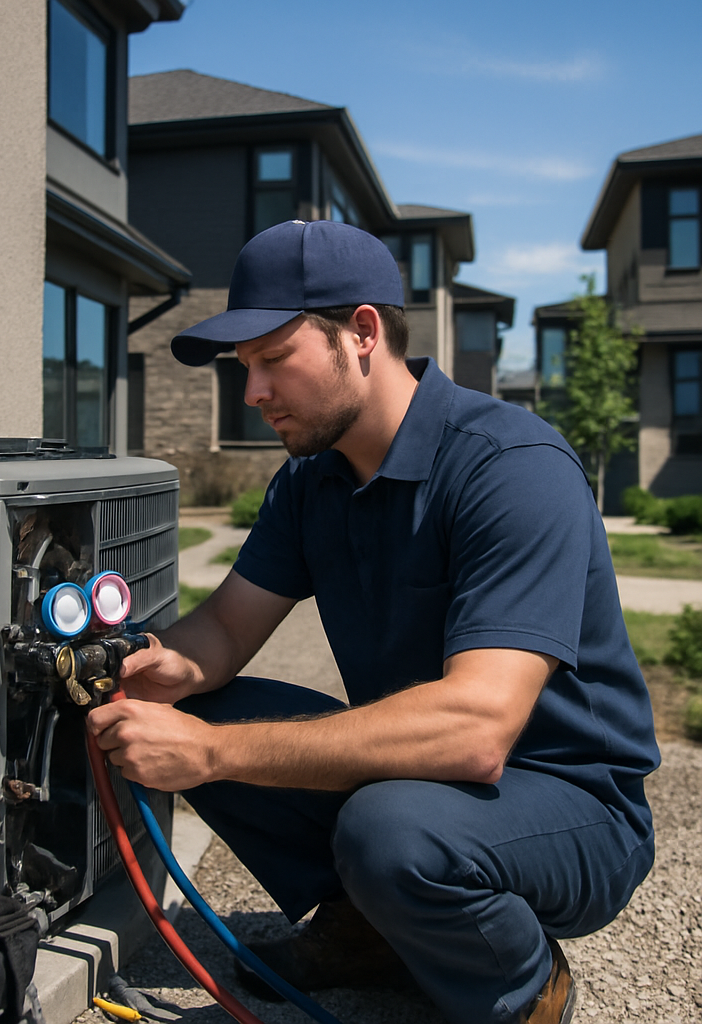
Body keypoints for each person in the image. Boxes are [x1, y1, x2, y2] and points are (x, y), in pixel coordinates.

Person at [87, 220, 659, 1024]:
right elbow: (224, 627)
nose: (251, 393)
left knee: (387, 829)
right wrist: (166, 671)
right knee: (188, 713)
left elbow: (474, 731)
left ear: (362, 332)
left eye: (273, 359)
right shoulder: (311, 482)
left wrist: (212, 754)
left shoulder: (509, 468)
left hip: (573, 804)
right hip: (425, 778)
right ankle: (380, 929)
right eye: (244, 367)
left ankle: (522, 990)